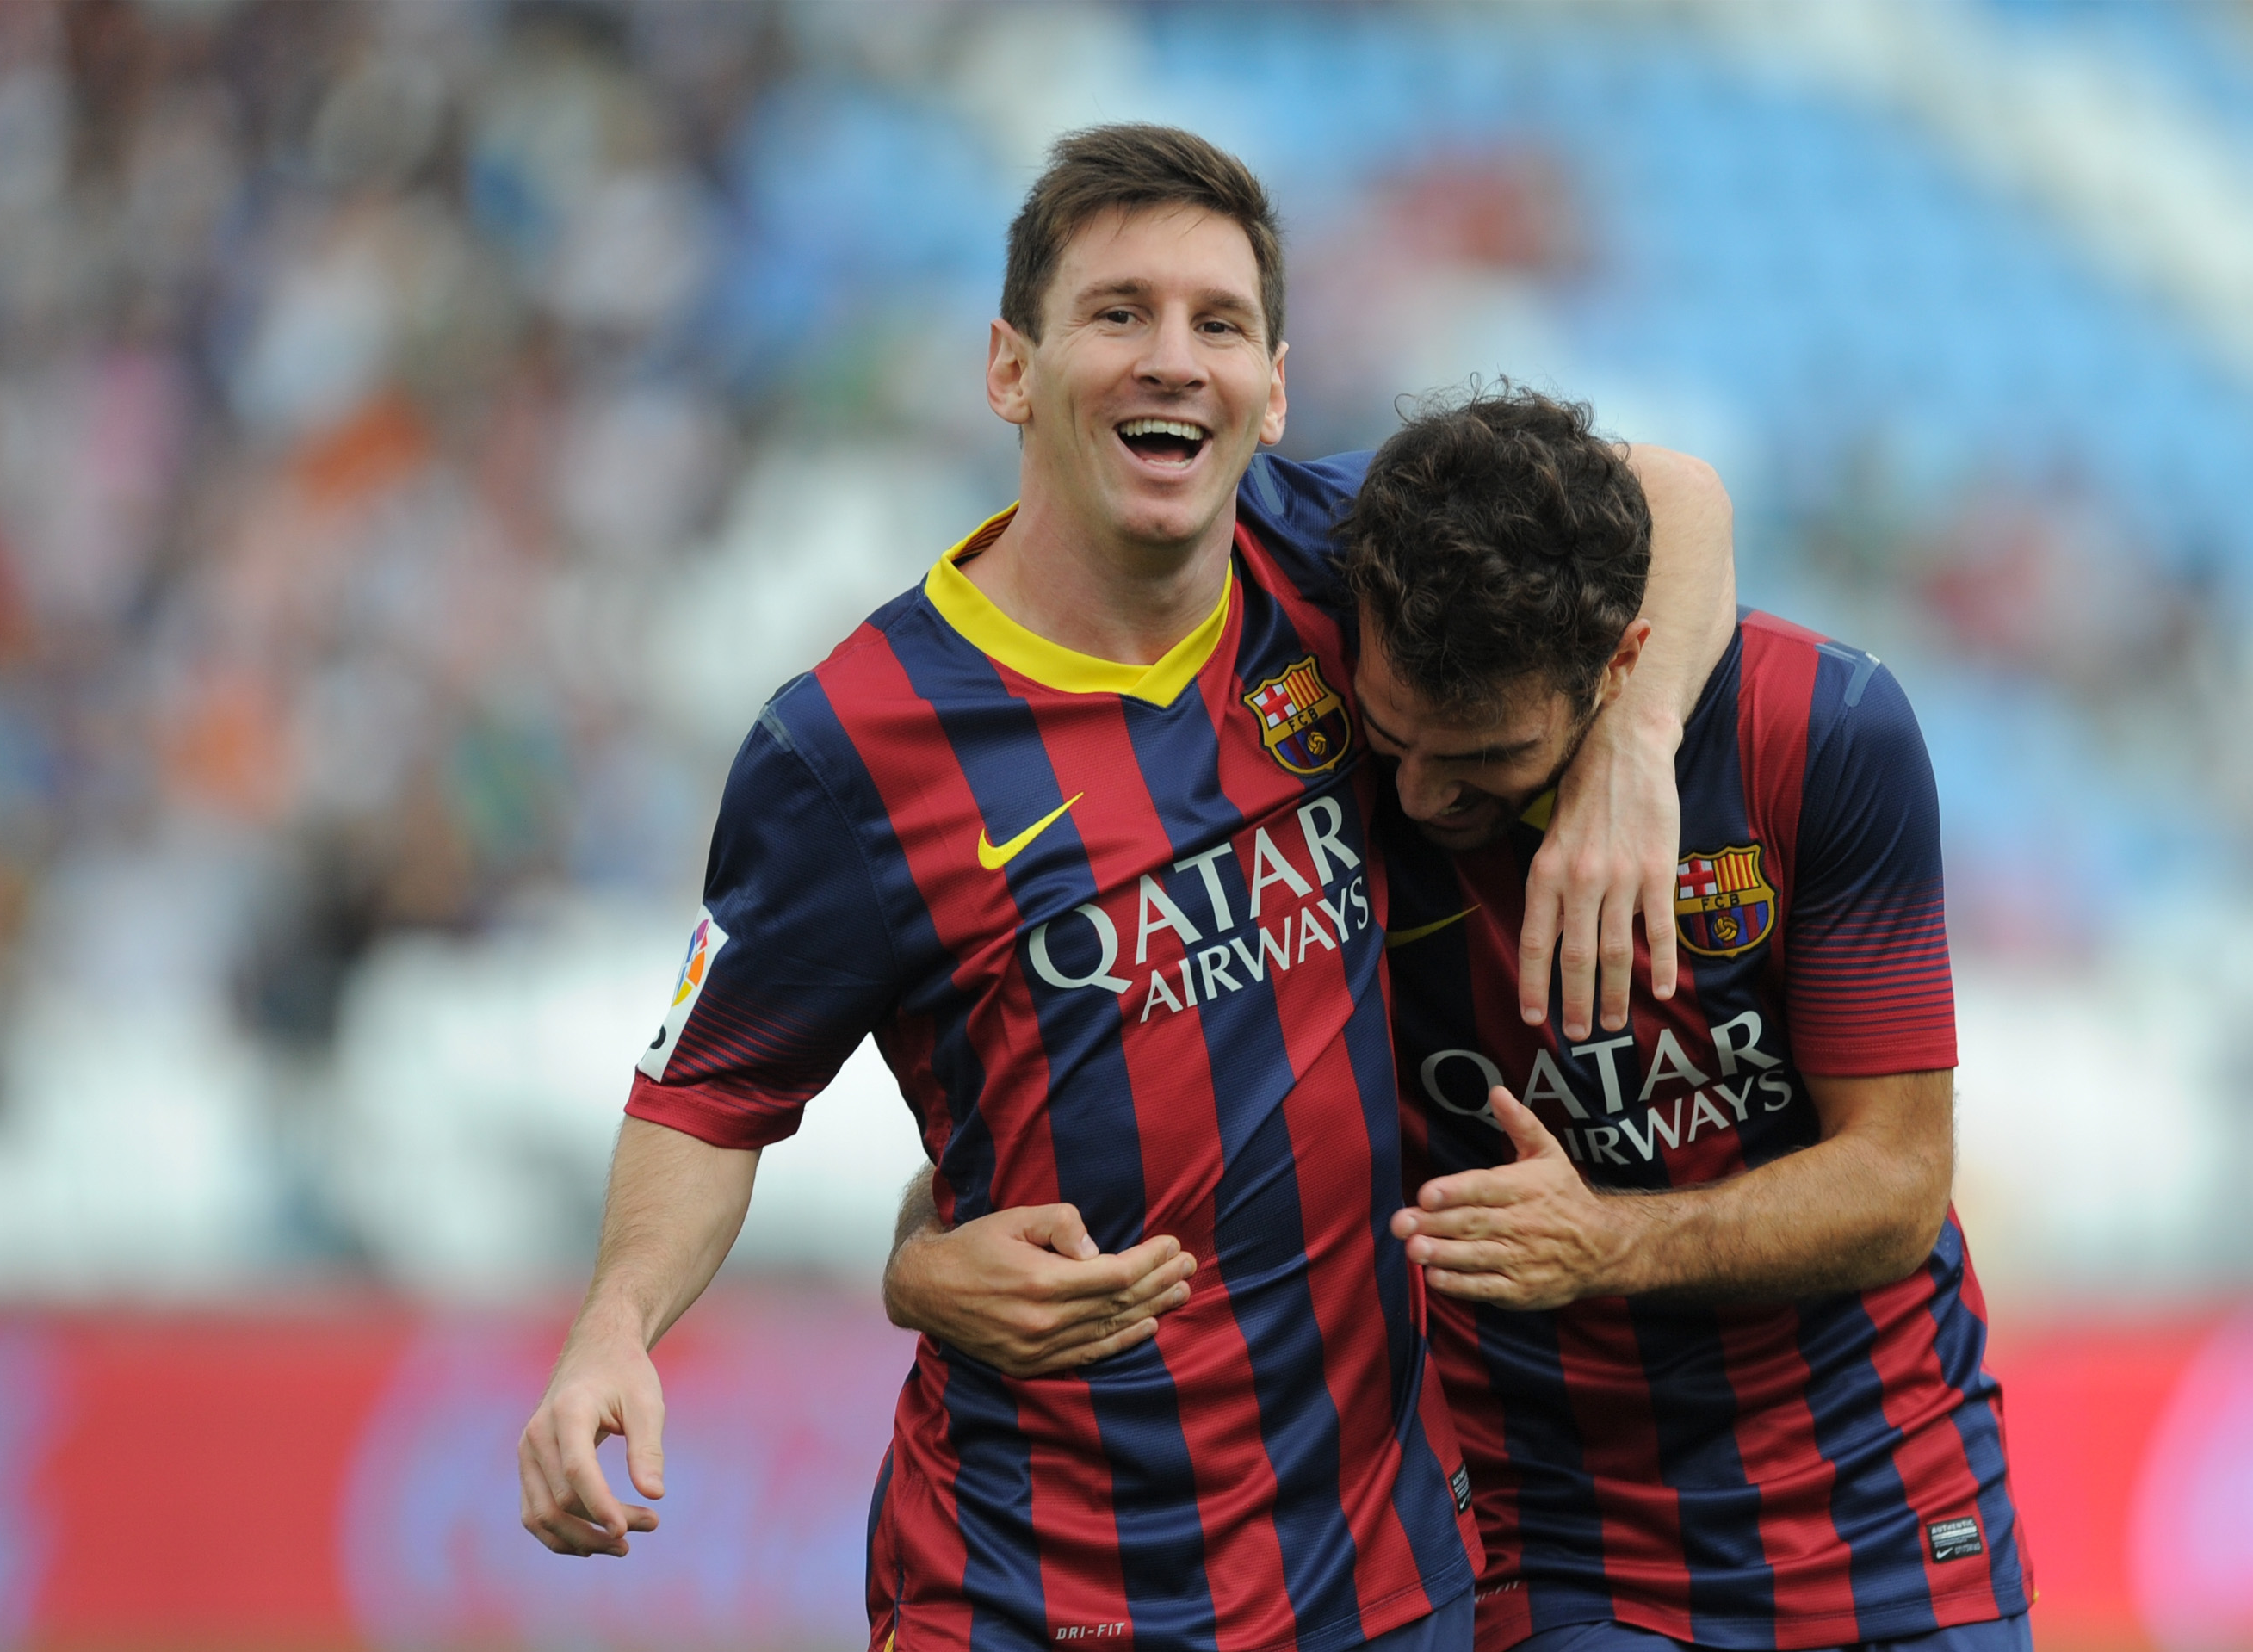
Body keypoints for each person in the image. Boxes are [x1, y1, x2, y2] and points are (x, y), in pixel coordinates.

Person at [517, 127, 1734, 1652]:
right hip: (1028, 1584)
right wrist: (615, 1332)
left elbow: (1669, 496)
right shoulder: (854, 746)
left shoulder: (1340, 560)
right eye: (1118, 315)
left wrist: (1635, 745)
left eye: (1218, 324)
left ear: (1276, 386)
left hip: (1370, 1583)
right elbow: (709, 1093)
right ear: (1009, 368)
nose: (1174, 360)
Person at [888, 387, 2033, 1652]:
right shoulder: (1316, 768)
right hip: (1549, 1532)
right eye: (1397, 741)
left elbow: (1898, 1181)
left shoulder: (1818, 734)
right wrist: (921, 1245)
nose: (1425, 796)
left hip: (1885, 1486)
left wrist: (1605, 1242)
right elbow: (1110, 1084)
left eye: (1486, 760)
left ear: (1623, 663)